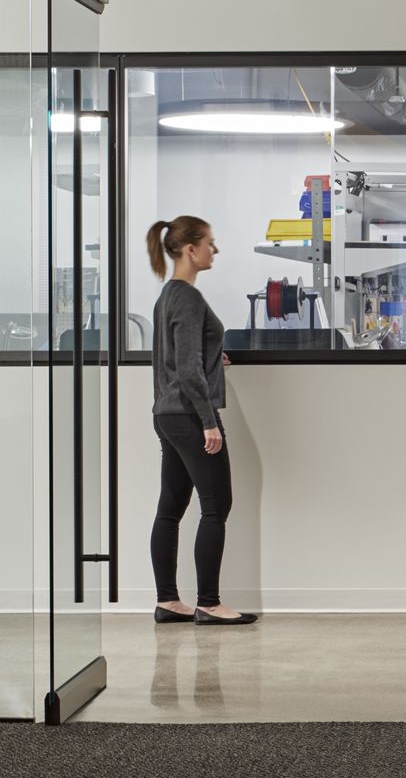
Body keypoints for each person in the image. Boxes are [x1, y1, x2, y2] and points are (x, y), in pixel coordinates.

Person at [145, 216, 256, 626]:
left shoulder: (167, 296)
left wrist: (213, 359)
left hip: (167, 413)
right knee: (216, 506)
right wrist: (209, 421)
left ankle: (168, 601)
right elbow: (188, 369)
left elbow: (179, 358)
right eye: (210, 243)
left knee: (170, 508)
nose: (215, 249)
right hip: (190, 416)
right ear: (190, 249)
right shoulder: (188, 298)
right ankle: (208, 603)